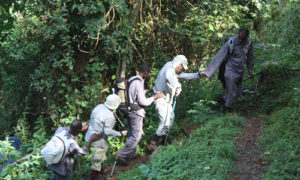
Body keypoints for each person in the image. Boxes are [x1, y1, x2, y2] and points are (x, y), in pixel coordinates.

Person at [117, 62, 165, 166]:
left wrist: (149, 90)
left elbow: (136, 94)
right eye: (149, 73)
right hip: (136, 113)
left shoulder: (132, 79)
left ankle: (130, 154)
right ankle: (121, 155)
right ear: (146, 73)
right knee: (136, 136)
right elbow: (143, 102)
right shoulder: (138, 82)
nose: (149, 75)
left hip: (128, 111)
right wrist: (155, 97)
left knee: (131, 134)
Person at [149, 55, 201, 149]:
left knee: (170, 120)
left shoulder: (173, 68)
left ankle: (164, 139)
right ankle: (153, 143)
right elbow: (169, 77)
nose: (182, 69)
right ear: (178, 64)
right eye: (181, 67)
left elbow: (184, 75)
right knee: (164, 122)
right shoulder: (169, 68)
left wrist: (198, 75)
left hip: (167, 99)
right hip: (160, 98)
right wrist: (178, 86)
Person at [200, 28, 254, 112]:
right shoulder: (231, 42)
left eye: (242, 39)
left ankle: (220, 100)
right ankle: (226, 112)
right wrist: (207, 72)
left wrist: (250, 72)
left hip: (240, 70)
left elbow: (250, 58)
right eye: (239, 37)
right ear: (238, 34)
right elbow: (219, 57)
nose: (240, 40)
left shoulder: (248, 42)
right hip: (230, 70)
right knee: (231, 92)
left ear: (246, 37)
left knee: (237, 93)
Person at [85, 94, 127, 180]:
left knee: (101, 153)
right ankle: (94, 176)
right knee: (98, 157)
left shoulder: (99, 106)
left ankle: (100, 170)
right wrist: (120, 133)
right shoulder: (109, 116)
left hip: (90, 134)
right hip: (98, 138)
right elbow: (107, 132)